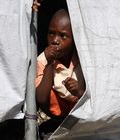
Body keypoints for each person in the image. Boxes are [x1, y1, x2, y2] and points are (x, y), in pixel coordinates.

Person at [35, 9, 86, 139]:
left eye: (63, 36)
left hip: (83, 113)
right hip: (57, 116)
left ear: (74, 38)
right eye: (51, 34)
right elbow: (41, 99)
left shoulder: (83, 57)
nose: (55, 41)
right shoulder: (42, 60)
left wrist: (80, 91)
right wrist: (50, 64)